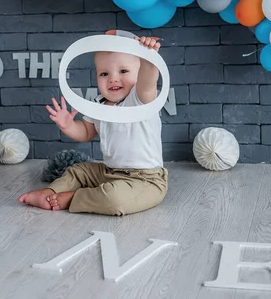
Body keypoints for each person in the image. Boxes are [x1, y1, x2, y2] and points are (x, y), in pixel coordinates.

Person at [18, 34, 167, 216]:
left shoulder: (140, 98)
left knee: (115, 199)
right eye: (104, 73)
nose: (113, 79)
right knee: (78, 170)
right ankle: (50, 193)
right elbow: (87, 132)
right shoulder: (99, 104)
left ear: (138, 72)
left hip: (146, 179)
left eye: (123, 71)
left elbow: (148, 80)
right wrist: (68, 125)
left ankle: (74, 198)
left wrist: (149, 57)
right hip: (109, 171)